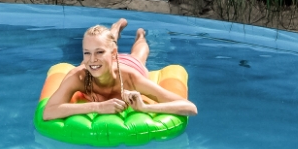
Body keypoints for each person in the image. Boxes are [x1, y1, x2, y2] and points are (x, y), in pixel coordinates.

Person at [41, 20, 197, 121]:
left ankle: (140, 35)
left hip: (128, 65)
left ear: (114, 53)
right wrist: (98, 107)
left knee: (139, 55)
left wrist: (146, 107)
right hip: (101, 66)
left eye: (99, 52)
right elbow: (48, 112)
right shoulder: (80, 75)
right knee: (90, 63)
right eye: (86, 52)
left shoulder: (131, 78)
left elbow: (190, 108)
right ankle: (115, 29)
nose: (92, 57)